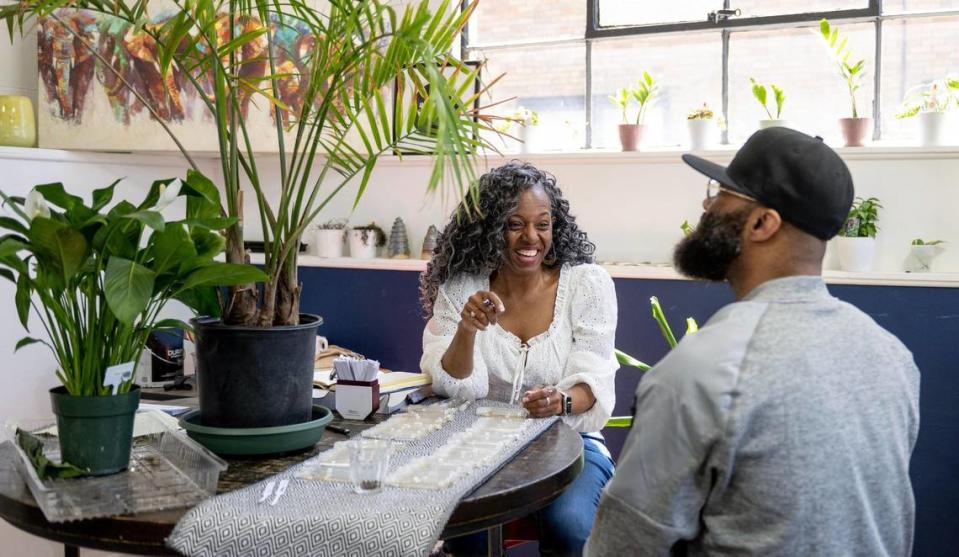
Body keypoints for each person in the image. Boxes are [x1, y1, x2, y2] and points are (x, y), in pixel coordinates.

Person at [585, 127, 920, 556]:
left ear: (762, 223)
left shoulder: (704, 370)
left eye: (722, 193)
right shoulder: (892, 356)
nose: (707, 205)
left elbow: (623, 546)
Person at [420, 161, 618, 556]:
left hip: (570, 441)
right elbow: (455, 387)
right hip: (477, 449)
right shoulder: (463, 288)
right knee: (468, 533)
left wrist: (560, 401)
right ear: (490, 229)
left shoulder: (587, 284)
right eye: (515, 224)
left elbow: (593, 375)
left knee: (571, 527)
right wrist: (468, 329)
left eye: (542, 224)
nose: (531, 237)